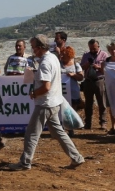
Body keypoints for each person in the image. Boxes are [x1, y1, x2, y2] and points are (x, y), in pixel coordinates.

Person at [6, 35, 85, 171]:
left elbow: (46, 87)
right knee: (59, 132)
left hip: (45, 103)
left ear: (40, 47)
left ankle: (25, 162)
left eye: (34, 47)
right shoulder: (53, 58)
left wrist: (34, 93)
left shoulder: (45, 63)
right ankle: (76, 157)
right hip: (54, 102)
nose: (33, 50)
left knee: (31, 134)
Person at [80, 39, 109, 131]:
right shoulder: (86, 55)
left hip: (99, 80)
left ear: (98, 47)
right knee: (88, 103)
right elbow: (82, 67)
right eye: (91, 48)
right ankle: (87, 123)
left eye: (94, 48)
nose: (92, 50)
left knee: (102, 102)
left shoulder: (104, 55)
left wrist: (98, 67)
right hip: (88, 81)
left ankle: (103, 122)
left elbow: (107, 69)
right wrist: (88, 64)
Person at [59, 46, 84, 114]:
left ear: (69, 55)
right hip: (61, 93)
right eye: (61, 54)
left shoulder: (76, 65)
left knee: (72, 112)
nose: (62, 56)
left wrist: (74, 75)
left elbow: (81, 77)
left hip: (73, 92)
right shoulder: (58, 64)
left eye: (63, 54)